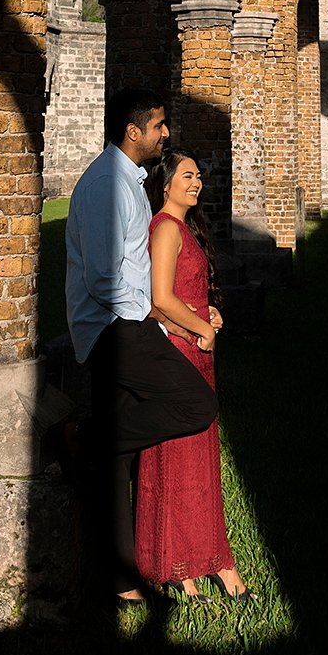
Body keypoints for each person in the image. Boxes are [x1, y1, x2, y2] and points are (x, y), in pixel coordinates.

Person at [62, 88, 218, 604]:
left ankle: (122, 576)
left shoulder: (126, 181)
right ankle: (86, 435)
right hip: (114, 327)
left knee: (119, 460)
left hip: (125, 323)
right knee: (196, 403)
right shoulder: (110, 184)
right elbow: (105, 278)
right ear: (134, 132)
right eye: (158, 125)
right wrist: (154, 315)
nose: (165, 133)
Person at [135, 151, 251, 600]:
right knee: (179, 456)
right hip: (179, 353)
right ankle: (179, 562)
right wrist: (200, 326)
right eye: (187, 175)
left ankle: (210, 556)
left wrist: (208, 312)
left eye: (199, 175)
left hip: (194, 348)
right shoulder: (165, 228)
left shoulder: (184, 228)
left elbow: (183, 293)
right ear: (165, 184)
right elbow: (159, 298)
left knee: (199, 456)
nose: (197, 182)